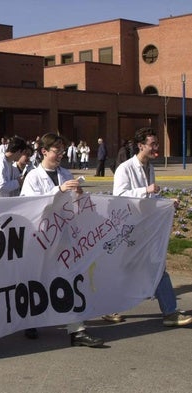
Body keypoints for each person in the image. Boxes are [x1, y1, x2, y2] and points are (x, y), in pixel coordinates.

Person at [20, 133, 104, 347]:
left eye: (62, 151)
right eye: (56, 151)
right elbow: (31, 205)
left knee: (70, 278)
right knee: (37, 279)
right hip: (41, 238)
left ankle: (77, 330)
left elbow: (75, 204)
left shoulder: (65, 173)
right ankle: (30, 320)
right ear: (44, 152)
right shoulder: (32, 176)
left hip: (64, 236)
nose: (60, 155)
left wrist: (79, 193)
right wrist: (58, 190)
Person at [113, 127, 192, 327]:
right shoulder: (125, 168)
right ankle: (109, 308)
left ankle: (170, 311)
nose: (156, 148)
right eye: (153, 144)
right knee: (124, 268)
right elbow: (119, 197)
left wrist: (166, 202)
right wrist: (144, 190)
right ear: (141, 146)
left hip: (146, 228)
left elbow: (151, 197)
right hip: (129, 229)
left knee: (157, 267)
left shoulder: (150, 167)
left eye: (157, 144)